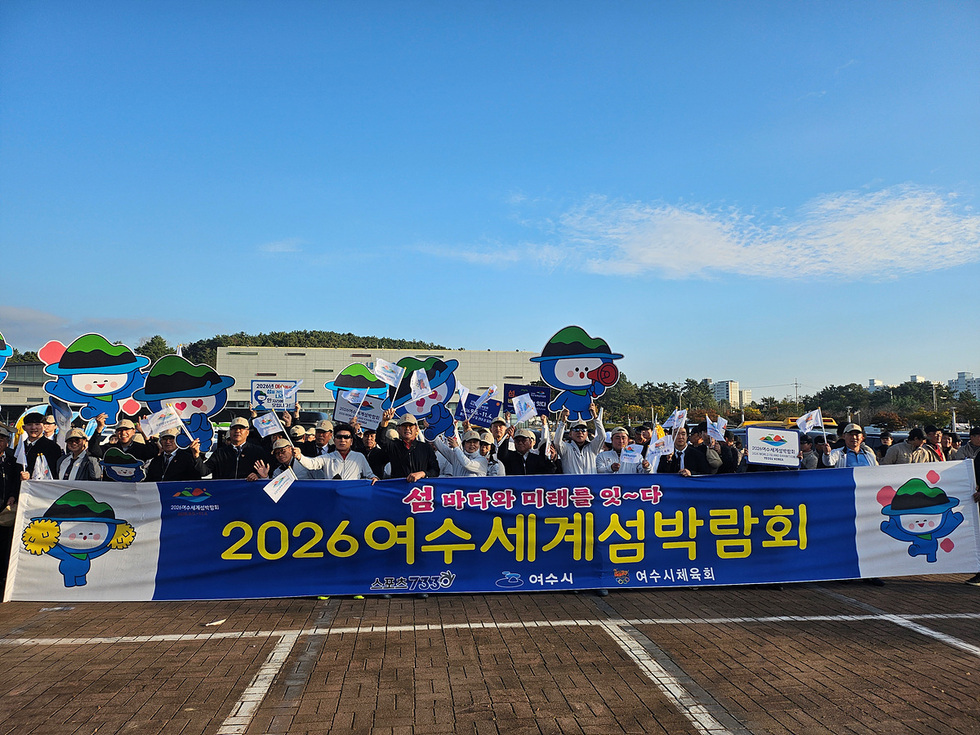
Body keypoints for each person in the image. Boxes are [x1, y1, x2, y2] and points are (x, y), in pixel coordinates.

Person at [295, 423, 378, 481]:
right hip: (332, 496)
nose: (342, 440)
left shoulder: (359, 457)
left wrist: (374, 478)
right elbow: (311, 463)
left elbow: (369, 475)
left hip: (352, 497)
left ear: (351, 441)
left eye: (346, 437)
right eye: (339, 437)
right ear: (334, 440)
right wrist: (300, 456)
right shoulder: (327, 457)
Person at [375, 412, 439, 482]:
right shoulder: (393, 446)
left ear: (416, 428)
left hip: (418, 491)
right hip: (398, 489)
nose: (407, 428)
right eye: (404, 426)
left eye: (410, 426)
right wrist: (385, 422)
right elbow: (381, 439)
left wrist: (422, 474)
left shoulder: (426, 448)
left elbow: (435, 470)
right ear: (398, 429)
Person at [204, 417, 271, 480]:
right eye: (234, 428)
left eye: (241, 428)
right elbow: (204, 471)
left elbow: (267, 474)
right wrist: (197, 456)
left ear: (247, 432)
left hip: (248, 491)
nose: (237, 431)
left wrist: (258, 476)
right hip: (224, 491)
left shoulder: (258, 451)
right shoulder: (220, 453)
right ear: (230, 431)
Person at [553, 402, 605, 475]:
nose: (580, 432)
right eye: (576, 430)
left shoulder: (592, 447)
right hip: (572, 485)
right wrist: (563, 421)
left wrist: (595, 416)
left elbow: (602, 436)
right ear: (570, 434)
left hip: (590, 485)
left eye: (583, 430)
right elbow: (557, 442)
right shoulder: (566, 448)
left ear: (587, 433)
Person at [18, 412, 63, 480]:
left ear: (44, 427)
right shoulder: (20, 447)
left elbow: (53, 472)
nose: (33, 427)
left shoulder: (52, 447)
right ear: (24, 427)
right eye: (29, 425)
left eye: (37, 424)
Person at [255, 438, 323, 480]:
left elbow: (322, 480)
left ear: (290, 449)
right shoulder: (277, 472)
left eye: (283, 451)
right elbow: (274, 490)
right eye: (277, 453)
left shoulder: (305, 463)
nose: (280, 455)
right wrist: (265, 477)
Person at [92, 418, 157, 461]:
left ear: (133, 431)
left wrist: (144, 433)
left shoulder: (140, 448)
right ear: (116, 433)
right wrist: (99, 429)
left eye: (126, 429)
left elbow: (152, 453)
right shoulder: (110, 448)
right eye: (119, 430)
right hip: (112, 481)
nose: (123, 433)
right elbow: (94, 450)